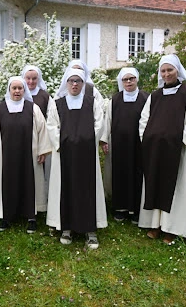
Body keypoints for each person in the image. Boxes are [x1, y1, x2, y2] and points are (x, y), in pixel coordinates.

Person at [138, 54, 186, 245]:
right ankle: (155, 224)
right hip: (156, 150)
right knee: (155, 184)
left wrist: (180, 141)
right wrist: (148, 140)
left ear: (178, 70)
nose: (167, 74)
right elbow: (144, 120)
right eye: (163, 70)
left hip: (178, 151)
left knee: (177, 187)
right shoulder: (155, 96)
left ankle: (172, 228)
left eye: (170, 70)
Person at [0, 76, 52, 233]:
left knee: (29, 181)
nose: (17, 91)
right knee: (7, 182)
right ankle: (5, 216)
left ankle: (31, 216)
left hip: (29, 156)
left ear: (24, 90)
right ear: (9, 90)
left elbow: (42, 130)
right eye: (14, 88)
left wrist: (43, 150)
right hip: (6, 156)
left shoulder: (33, 108)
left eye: (20, 88)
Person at [46, 68, 107, 249]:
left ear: (83, 84)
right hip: (64, 154)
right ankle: (66, 227)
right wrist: (62, 143)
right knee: (66, 188)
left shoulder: (92, 102)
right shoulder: (57, 104)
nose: (75, 84)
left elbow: (99, 123)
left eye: (78, 81)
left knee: (88, 188)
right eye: (71, 81)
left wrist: (87, 141)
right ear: (66, 83)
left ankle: (90, 229)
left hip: (86, 153)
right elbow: (52, 126)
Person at [102, 68, 149, 224]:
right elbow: (107, 121)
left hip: (139, 143)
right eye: (125, 79)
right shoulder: (115, 100)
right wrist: (104, 140)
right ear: (121, 82)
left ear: (137, 79)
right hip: (119, 144)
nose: (128, 82)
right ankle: (120, 208)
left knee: (138, 173)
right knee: (120, 173)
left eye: (131, 79)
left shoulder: (146, 98)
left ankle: (136, 209)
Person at [21, 65, 55, 205]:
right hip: (21, 138)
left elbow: (52, 116)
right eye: (28, 78)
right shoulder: (17, 93)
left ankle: (41, 199)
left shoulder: (44, 96)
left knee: (40, 170)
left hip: (40, 138)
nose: (30, 82)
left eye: (34, 78)